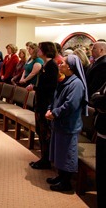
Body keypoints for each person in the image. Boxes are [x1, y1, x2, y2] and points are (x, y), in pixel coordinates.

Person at [45, 55, 88, 192]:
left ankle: (66, 182)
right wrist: (49, 109)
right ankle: (61, 176)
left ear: (69, 66)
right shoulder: (66, 79)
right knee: (59, 151)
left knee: (67, 152)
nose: (59, 64)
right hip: (59, 122)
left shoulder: (76, 84)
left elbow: (70, 105)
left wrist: (55, 113)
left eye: (62, 62)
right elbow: (55, 98)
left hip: (68, 124)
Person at [28, 42, 58, 170]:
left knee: (45, 132)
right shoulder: (46, 64)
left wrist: (35, 87)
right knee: (40, 131)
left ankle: (46, 160)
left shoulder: (52, 65)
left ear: (46, 50)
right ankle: (43, 158)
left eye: (40, 49)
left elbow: (51, 86)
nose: (38, 50)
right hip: (39, 102)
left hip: (45, 103)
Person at [86, 41, 106, 206]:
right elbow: (98, 94)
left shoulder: (103, 64)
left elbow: (100, 97)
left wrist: (98, 98)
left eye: (93, 48)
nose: (91, 50)